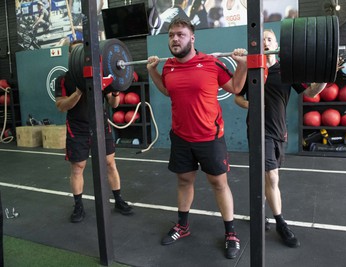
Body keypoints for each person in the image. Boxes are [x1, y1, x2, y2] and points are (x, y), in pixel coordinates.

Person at [146, 18, 247, 259]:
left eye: (180, 34)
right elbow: (167, 89)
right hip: (181, 137)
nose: (175, 39)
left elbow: (235, 86)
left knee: (218, 184)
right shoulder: (168, 66)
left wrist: (242, 65)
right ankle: (182, 226)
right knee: (183, 181)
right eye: (171, 35)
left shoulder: (211, 63)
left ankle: (231, 233)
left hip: (209, 137)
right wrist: (152, 71)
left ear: (192, 38)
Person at [234, 29, 328, 248]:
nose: (265, 42)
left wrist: (325, 76)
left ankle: (259, 214)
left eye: (269, 39)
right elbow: (237, 97)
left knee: (267, 178)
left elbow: (311, 92)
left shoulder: (286, 71)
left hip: (279, 131)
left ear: (276, 44)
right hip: (258, 130)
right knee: (272, 177)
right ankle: (280, 223)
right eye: (262, 39)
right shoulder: (252, 70)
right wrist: (251, 104)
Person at [55, 40, 133, 223]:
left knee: (110, 163)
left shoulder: (99, 75)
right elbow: (61, 105)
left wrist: (115, 91)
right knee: (78, 168)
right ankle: (78, 206)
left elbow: (114, 104)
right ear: (70, 56)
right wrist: (80, 91)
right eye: (76, 53)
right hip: (77, 127)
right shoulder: (64, 79)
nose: (80, 57)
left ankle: (119, 200)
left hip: (100, 124)